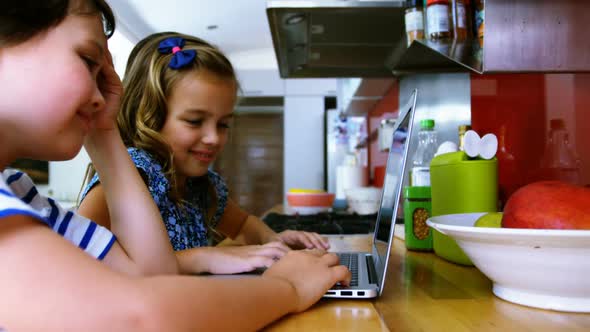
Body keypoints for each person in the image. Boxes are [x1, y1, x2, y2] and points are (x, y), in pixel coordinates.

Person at [0, 1, 350, 331]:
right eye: (89, 59)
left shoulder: (20, 193)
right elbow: (138, 317)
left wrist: (106, 132)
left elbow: (150, 276)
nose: (99, 94)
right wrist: (288, 288)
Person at [78, 31, 331, 275]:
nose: (213, 138)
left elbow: (243, 224)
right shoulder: (129, 175)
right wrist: (204, 258)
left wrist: (274, 240)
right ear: (151, 115)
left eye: (223, 124)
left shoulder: (200, 186)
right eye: (195, 121)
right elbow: (79, 262)